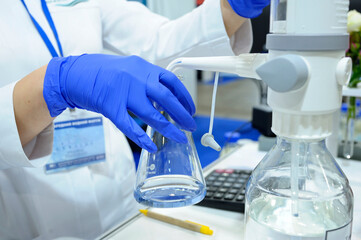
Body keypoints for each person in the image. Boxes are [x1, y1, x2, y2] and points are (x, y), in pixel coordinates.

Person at [0, 0, 269, 239]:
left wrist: (228, 10)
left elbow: (160, 43)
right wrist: (56, 84)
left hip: (119, 206)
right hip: (26, 209)